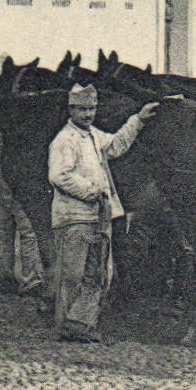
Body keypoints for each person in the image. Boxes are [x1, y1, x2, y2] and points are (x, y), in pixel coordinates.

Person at [47, 83, 159, 342]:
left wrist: (138, 120)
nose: (88, 114)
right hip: (73, 217)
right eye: (82, 109)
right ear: (71, 110)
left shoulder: (94, 136)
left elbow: (117, 145)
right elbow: (58, 175)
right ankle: (66, 325)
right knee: (72, 274)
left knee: (97, 273)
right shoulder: (64, 140)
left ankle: (83, 324)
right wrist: (92, 191)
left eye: (91, 109)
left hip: (99, 218)